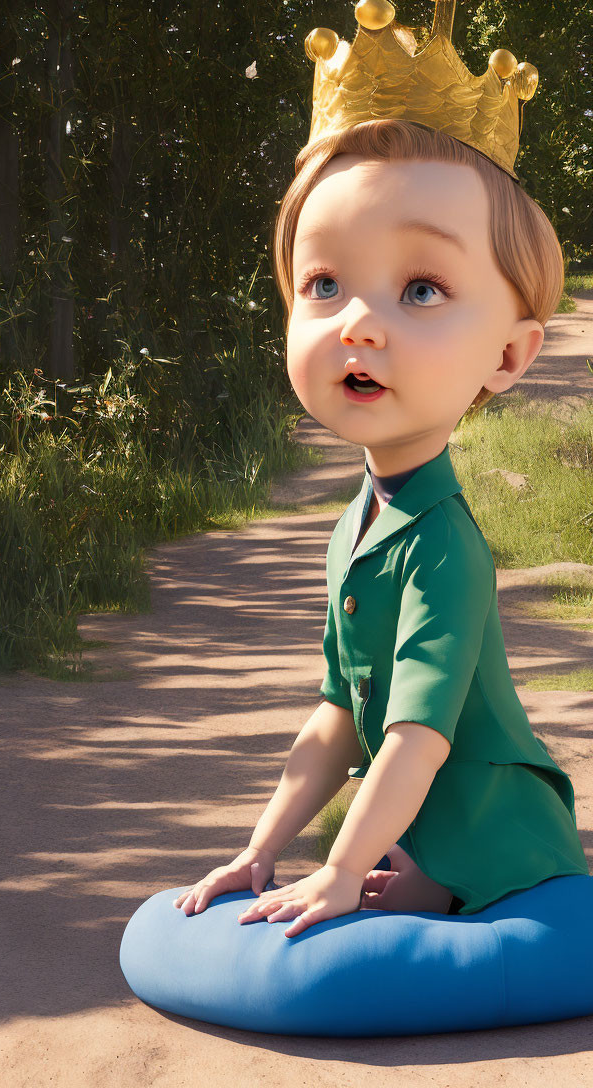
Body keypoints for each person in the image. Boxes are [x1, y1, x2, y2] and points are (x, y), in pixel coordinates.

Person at [172, 109, 590, 936]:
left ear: (510, 355)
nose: (357, 323)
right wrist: (261, 850)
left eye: (421, 290)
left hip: (486, 829)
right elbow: (338, 713)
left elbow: (418, 734)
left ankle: (441, 878)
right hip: (419, 819)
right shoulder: (359, 522)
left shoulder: (443, 545)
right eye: (323, 285)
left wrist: (341, 868)